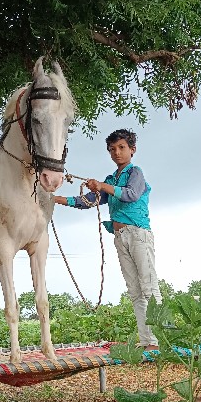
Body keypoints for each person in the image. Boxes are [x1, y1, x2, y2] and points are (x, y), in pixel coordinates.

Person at [54, 129, 162, 351]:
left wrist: (103, 186)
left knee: (149, 286)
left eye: (122, 148)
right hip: (120, 235)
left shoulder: (135, 173)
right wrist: (57, 199)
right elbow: (89, 200)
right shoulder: (111, 179)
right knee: (135, 290)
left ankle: (162, 339)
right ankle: (148, 342)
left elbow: (130, 194)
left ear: (132, 150)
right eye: (112, 149)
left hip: (138, 233)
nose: (117, 153)